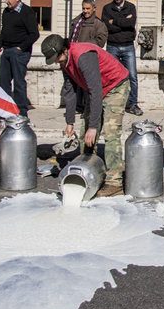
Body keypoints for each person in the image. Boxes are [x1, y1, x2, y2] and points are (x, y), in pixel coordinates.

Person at [41, 34, 129, 196]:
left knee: (111, 133)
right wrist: (70, 122)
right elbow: (70, 91)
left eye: (57, 57)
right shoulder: (64, 61)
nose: (56, 61)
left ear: (65, 49)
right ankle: (89, 171)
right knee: (84, 136)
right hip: (96, 90)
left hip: (115, 85)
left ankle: (114, 182)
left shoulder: (83, 56)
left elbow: (95, 89)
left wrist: (94, 127)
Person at [0, 0, 40, 118]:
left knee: (19, 82)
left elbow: (34, 34)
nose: (7, 2)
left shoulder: (27, 12)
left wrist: (21, 47)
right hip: (7, 50)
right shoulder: (6, 12)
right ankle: (5, 109)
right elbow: (4, 30)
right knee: (3, 81)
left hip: (19, 52)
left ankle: (21, 111)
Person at [102, 0, 142, 116]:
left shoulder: (131, 7)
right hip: (112, 45)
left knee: (132, 76)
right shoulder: (107, 8)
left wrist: (115, 21)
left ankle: (132, 104)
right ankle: (111, 103)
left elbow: (131, 24)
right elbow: (106, 26)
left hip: (128, 46)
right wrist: (123, 21)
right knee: (110, 76)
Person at [66, 0, 109, 120]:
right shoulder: (76, 21)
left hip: (86, 58)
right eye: (83, 8)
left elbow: (100, 41)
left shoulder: (98, 24)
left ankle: (87, 110)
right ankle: (77, 107)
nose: (85, 11)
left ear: (94, 9)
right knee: (74, 85)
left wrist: (87, 47)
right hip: (73, 57)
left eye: (88, 8)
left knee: (88, 86)